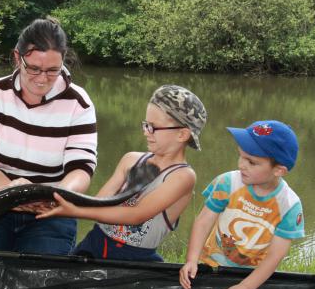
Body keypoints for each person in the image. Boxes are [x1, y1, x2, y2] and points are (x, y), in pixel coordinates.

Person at [0, 17, 97, 255]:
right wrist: (13, 193)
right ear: (17, 57)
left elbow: (81, 168)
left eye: (52, 70)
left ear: (63, 62)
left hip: (52, 211)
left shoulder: (79, 103)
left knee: (41, 281)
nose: (42, 78)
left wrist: (54, 197)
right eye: (33, 68)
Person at [38, 85, 207, 262]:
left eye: (153, 127)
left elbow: (137, 215)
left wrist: (75, 212)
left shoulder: (183, 177)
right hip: (94, 244)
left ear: (182, 134)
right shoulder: (131, 159)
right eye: (145, 125)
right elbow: (98, 202)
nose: (145, 132)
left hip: (134, 259)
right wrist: (55, 202)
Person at [179, 120, 304, 289]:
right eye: (241, 156)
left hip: (254, 277)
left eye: (252, 162)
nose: (241, 165)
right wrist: (191, 260)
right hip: (211, 265)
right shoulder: (227, 182)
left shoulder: (289, 205)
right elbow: (204, 221)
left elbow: (275, 256)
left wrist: (246, 287)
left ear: (279, 170)